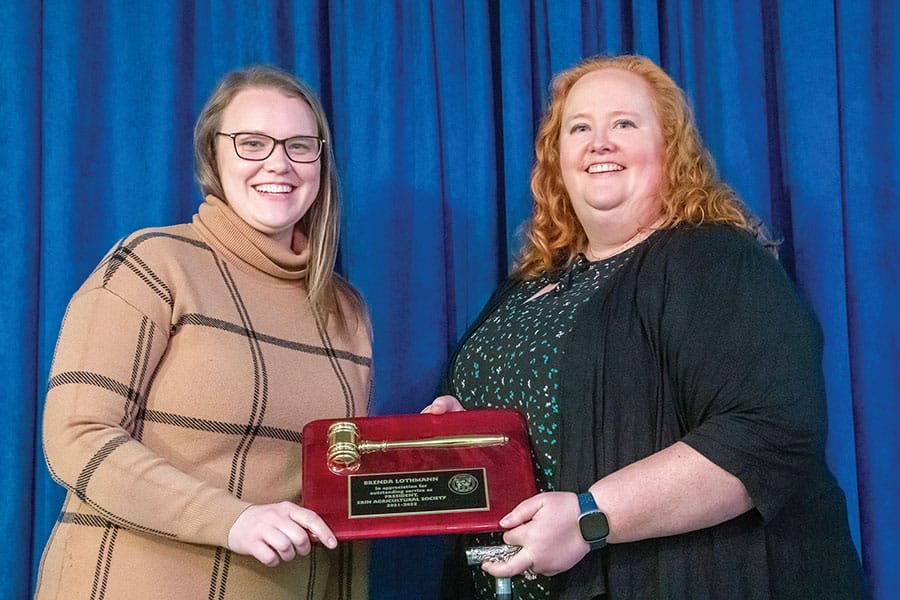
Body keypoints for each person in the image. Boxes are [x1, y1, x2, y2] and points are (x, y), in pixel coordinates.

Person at [423, 55, 868, 599]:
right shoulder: (524, 288)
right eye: (579, 128)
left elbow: (769, 432)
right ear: (557, 158)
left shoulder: (715, 260)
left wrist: (589, 518)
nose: (599, 143)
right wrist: (460, 429)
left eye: (624, 124)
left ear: (670, 147)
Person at [35, 65, 371, 599]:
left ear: (320, 161)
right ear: (212, 156)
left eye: (300, 146)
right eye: (252, 143)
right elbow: (77, 437)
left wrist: (426, 449)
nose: (278, 163)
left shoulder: (344, 309)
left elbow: (338, 480)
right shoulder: (152, 264)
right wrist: (232, 519)